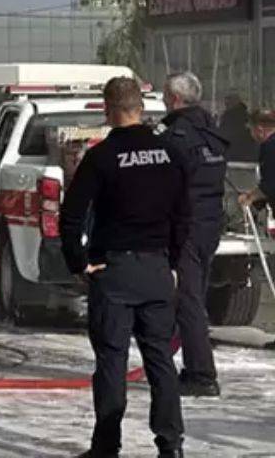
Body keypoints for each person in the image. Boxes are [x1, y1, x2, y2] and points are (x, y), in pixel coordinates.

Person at [61, 77, 188, 458]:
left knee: (112, 362)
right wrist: (175, 263)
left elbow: (71, 215)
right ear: (142, 107)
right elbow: (185, 215)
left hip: (113, 270)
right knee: (161, 362)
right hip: (156, 270)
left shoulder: (101, 157)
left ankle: (106, 447)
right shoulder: (170, 153)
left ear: (107, 109)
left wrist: (78, 263)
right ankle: (171, 446)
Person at [158, 71, 228, 398]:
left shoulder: (174, 135)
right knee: (192, 298)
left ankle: (201, 375)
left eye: (163, 95)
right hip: (210, 225)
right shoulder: (212, 131)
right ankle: (176, 360)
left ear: (173, 99)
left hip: (186, 227)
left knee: (188, 301)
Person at [239, 109, 275, 212]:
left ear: (259, 129)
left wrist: (250, 198)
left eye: (250, 129)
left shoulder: (270, 146)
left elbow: (270, 184)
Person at [218, 94, 259, 162]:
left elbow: (221, 135)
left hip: (231, 155)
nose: (226, 105)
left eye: (227, 103)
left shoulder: (227, 117)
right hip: (248, 155)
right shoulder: (247, 116)